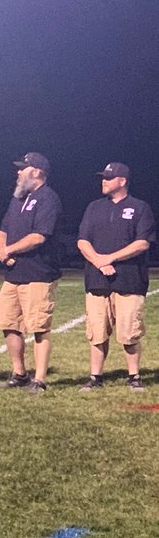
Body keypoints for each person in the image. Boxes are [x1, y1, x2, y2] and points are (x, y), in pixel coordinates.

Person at [77, 162, 155, 391]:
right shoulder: (93, 208)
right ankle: (95, 378)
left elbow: (142, 243)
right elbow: (82, 241)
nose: (104, 181)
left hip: (129, 281)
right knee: (97, 332)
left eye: (109, 178)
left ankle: (134, 376)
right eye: (103, 177)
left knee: (129, 332)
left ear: (122, 181)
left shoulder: (140, 208)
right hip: (97, 280)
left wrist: (110, 258)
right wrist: (99, 262)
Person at [0, 152, 62, 395]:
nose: (18, 172)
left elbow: (39, 236)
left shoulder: (48, 199)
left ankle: (40, 379)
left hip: (38, 273)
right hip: (13, 273)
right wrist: (3, 249)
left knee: (39, 327)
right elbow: (3, 229)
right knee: (8, 323)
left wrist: (10, 249)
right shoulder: (17, 199)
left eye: (23, 168)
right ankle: (19, 373)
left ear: (36, 172)